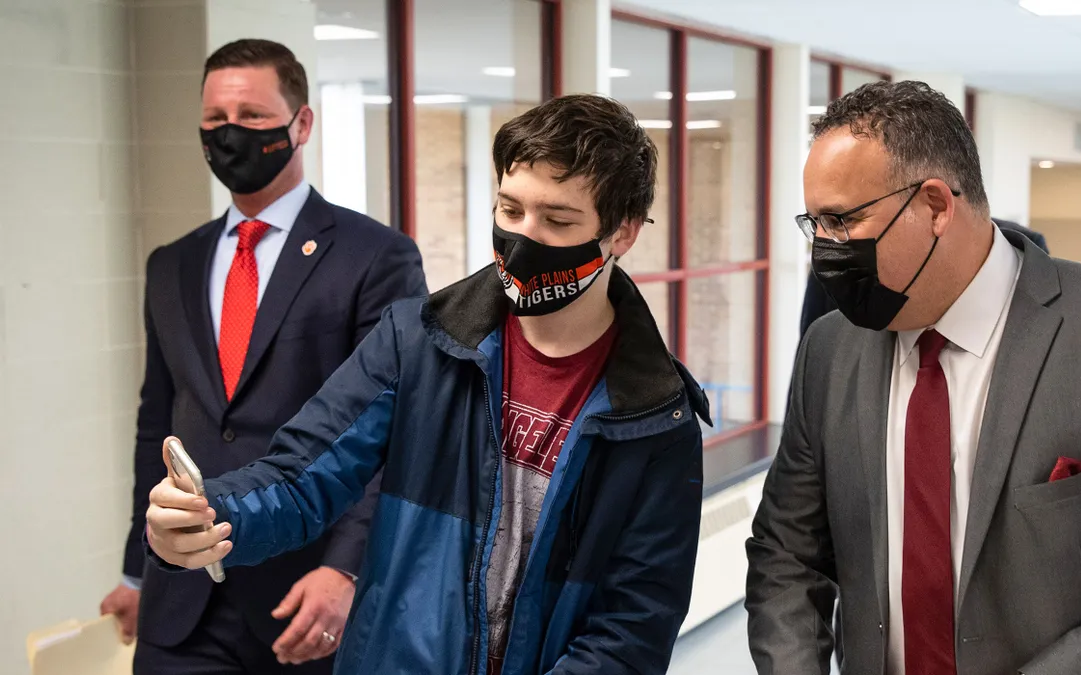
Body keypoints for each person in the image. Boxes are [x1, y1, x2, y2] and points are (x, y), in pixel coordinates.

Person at [139, 93, 710, 675]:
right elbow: (300, 477)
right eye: (510, 211)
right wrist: (209, 515)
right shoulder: (418, 341)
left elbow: (634, 623)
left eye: (557, 221)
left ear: (623, 232)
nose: (522, 238)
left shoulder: (655, 418)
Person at [746, 80, 1081, 675]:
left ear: (935, 205)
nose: (825, 250)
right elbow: (786, 553)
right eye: (816, 225)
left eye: (842, 221)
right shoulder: (829, 351)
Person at [99, 38, 427, 674]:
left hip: (304, 598)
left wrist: (345, 568)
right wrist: (137, 573)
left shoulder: (374, 257)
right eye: (216, 120)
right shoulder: (172, 265)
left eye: (252, 116)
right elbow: (157, 424)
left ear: (301, 124)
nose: (232, 134)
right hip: (182, 597)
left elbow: (397, 431)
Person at [799, 220, 1047, 339]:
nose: (823, 240)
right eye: (816, 221)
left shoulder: (1017, 252)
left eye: (841, 219)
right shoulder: (837, 265)